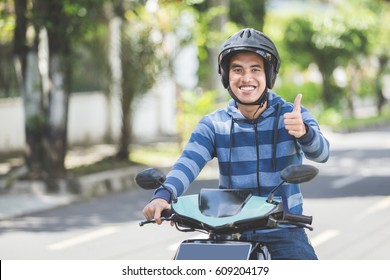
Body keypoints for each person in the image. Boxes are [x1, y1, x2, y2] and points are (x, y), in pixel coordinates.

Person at [142, 28, 330, 260]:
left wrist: (304, 132)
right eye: (237, 69)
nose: (246, 78)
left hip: (282, 230)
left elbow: (322, 153)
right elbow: (187, 162)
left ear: (269, 75)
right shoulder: (214, 124)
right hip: (226, 230)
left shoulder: (293, 115)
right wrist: (163, 195)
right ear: (226, 76)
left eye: (255, 69)